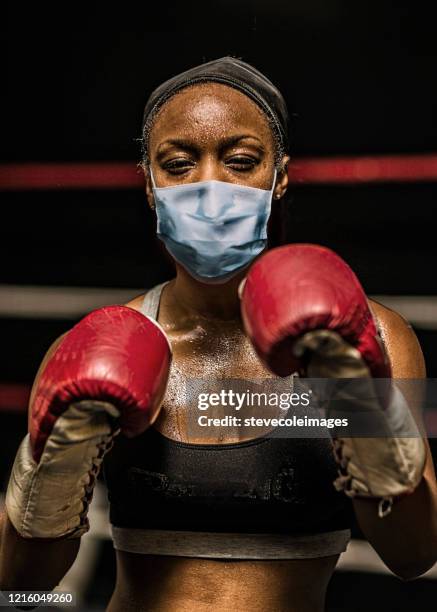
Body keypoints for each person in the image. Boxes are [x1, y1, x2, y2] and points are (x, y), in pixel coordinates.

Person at [1, 57, 437, 612]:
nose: (209, 186)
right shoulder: (98, 344)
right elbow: (19, 581)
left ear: (279, 176)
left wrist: (359, 406)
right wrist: (57, 467)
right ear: (150, 185)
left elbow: (414, 555)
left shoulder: (369, 334)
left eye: (239, 161)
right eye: (179, 164)